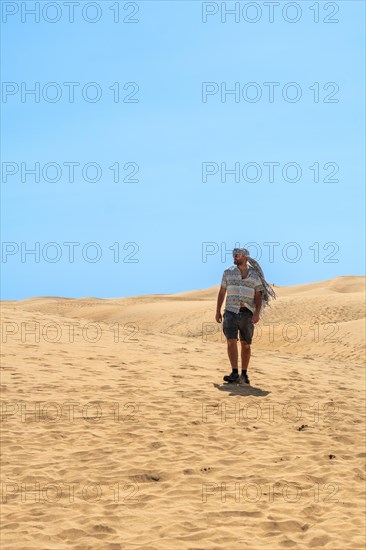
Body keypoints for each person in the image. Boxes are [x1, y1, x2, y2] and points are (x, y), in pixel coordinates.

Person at [216, 248, 276, 384]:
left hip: (247, 313)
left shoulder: (254, 275)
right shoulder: (228, 273)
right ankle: (234, 372)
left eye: (237, 255)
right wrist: (217, 311)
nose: (234, 257)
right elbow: (221, 292)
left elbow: (258, 296)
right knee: (231, 341)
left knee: (246, 344)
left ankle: (244, 374)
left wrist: (256, 313)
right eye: (233, 255)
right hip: (230, 311)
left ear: (245, 257)